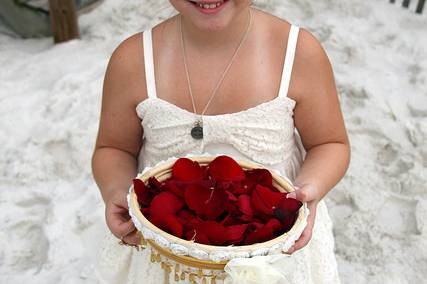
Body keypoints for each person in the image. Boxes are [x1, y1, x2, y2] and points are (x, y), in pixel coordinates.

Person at [91, 0, 351, 283]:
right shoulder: (133, 60)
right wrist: (116, 189)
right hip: (168, 252)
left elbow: (329, 143)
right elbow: (113, 148)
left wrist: (309, 189)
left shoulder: (298, 53)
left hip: (272, 254)